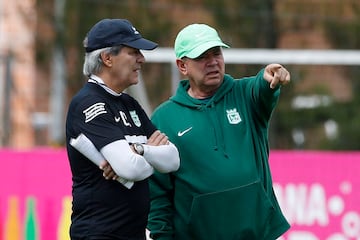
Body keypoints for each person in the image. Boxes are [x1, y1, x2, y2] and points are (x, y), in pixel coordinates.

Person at [147, 23, 291, 240]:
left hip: (258, 233)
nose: (213, 62)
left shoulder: (244, 95)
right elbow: (158, 192)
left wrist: (269, 76)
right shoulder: (164, 118)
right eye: (202, 57)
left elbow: (261, 88)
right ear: (182, 66)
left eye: (217, 53)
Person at [65, 18, 180, 240]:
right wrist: (147, 153)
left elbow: (173, 160)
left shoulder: (129, 104)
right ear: (107, 58)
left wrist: (138, 150)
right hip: (99, 235)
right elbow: (130, 169)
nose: (142, 59)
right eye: (133, 52)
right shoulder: (89, 103)